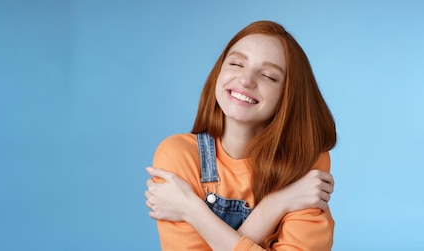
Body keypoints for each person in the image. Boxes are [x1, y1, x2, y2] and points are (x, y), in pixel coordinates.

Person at [144, 20, 337, 251]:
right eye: (236, 63)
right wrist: (277, 204)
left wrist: (191, 209)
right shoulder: (179, 156)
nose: (246, 80)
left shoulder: (305, 163)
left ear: (289, 95)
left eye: (268, 76)